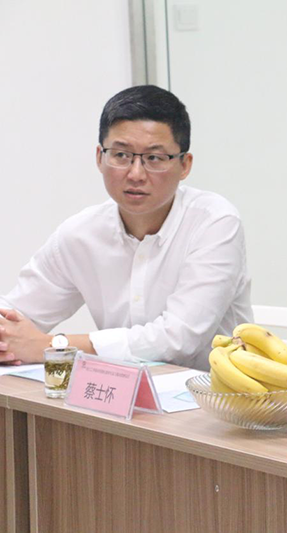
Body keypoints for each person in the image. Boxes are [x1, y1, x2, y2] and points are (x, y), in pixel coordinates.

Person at [0, 85, 252, 370]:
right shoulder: (81, 233)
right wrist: (9, 338)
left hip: (211, 391)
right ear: (100, 157)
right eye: (121, 155)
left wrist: (51, 345)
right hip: (116, 393)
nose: (135, 174)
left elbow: (178, 339)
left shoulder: (214, 222)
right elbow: (16, 313)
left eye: (154, 158)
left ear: (185, 165)